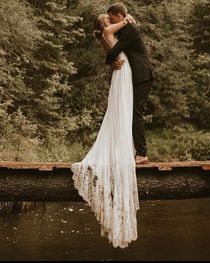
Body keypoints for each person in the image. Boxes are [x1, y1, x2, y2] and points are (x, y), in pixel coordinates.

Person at [71, 13, 139, 249]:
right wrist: (127, 17)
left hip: (122, 71)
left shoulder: (106, 35)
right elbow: (127, 24)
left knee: (121, 112)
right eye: (108, 20)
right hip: (122, 73)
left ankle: (123, 147)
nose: (111, 21)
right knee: (121, 111)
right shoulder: (107, 32)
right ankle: (121, 149)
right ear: (104, 25)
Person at [106, 2, 154, 165]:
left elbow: (112, 53)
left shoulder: (129, 31)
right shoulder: (125, 28)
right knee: (132, 111)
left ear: (119, 15)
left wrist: (110, 61)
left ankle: (141, 153)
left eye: (112, 18)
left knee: (136, 113)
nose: (112, 21)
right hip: (136, 76)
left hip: (142, 76)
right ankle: (134, 150)